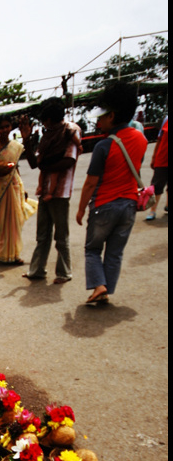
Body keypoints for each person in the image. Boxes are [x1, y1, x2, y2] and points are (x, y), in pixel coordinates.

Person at [76, 82, 148, 305]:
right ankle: (105, 289)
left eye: (102, 116)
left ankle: (99, 286)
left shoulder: (104, 146)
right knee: (115, 252)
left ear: (113, 115)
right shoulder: (141, 139)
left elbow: (90, 183)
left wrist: (80, 210)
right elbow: (135, 169)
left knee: (92, 249)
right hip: (128, 205)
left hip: (105, 204)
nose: (98, 121)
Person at [19, 98, 82, 284]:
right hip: (44, 189)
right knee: (42, 234)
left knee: (61, 236)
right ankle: (37, 269)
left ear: (51, 119)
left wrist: (47, 165)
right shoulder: (48, 135)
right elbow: (33, 163)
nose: (46, 124)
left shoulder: (70, 131)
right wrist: (26, 139)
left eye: (47, 120)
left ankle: (64, 272)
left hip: (60, 192)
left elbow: (70, 160)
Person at [0, 116, 37, 264]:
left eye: (7, 126)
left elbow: (15, 169)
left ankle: (14, 255)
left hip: (14, 186)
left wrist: (22, 187)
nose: (5, 130)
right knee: (0, 223)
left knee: (15, 222)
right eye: (2, 127)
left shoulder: (15, 146)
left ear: (11, 127)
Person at [145, 114, 168, 221]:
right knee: (157, 185)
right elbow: (160, 139)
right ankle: (152, 210)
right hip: (163, 158)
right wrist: (154, 156)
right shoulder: (167, 119)